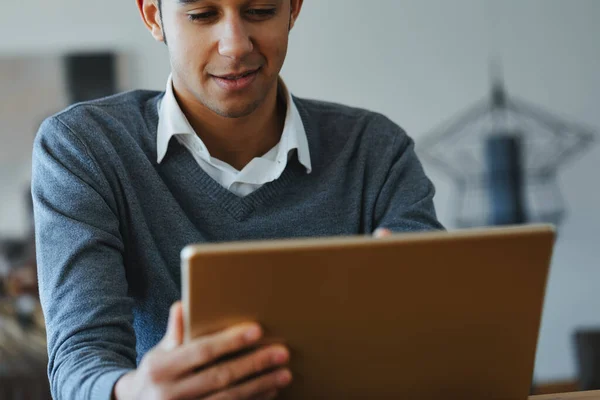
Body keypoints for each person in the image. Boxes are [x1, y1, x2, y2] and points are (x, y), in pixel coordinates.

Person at [31, 0, 443, 399]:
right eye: (201, 15)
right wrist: (133, 394)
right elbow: (79, 360)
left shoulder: (374, 151)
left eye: (260, 11)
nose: (235, 45)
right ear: (154, 17)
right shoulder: (84, 148)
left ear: (293, 9)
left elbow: (442, 334)